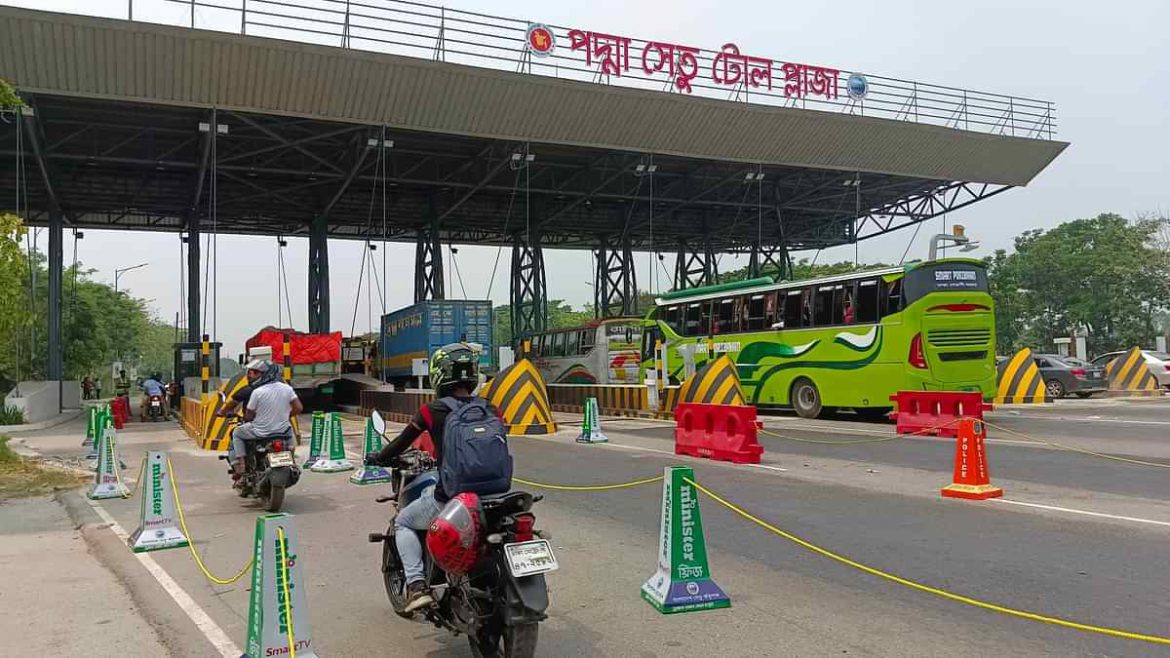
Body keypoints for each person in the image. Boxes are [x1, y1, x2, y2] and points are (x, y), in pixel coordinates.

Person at [365, 343, 502, 613]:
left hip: (453, 496)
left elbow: (402, 442)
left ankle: (417, 586)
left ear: (439, 375)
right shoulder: (490, 408)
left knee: (403, 522)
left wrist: (379, 457)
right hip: (496, 494)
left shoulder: (432, 410)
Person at [224, 360, 302, 484]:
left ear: (267, 374)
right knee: (290, 435)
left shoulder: (257, 392)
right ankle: (291, 462)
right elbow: (298, 408)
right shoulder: (287, 389)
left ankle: (242, 466)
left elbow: (249, 415)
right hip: (282, 432)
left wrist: (251, 418)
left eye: (256, 373)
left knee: (237, 433)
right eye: (251, 372)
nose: (251, 375)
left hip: (260, 432)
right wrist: (283, 416)